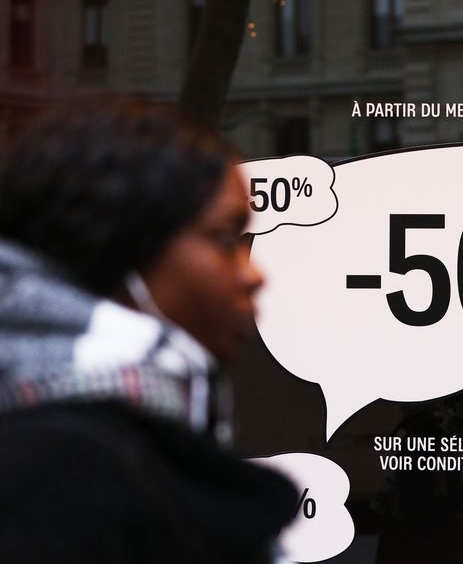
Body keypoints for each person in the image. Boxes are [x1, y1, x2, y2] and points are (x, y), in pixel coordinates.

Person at [0, 99, 298, 562]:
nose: (253, 275)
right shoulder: (61, 470)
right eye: (225, 239)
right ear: (120, 242)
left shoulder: (123, 440)